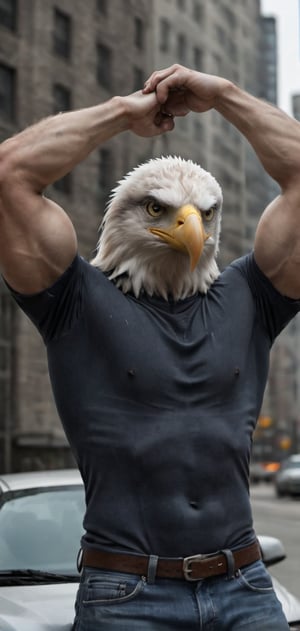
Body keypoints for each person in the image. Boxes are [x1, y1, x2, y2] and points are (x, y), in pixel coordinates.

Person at [0, 64, 299, 630]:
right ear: (123, 215)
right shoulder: (72, 303)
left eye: (204, 216)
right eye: (159, 210)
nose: (190, 227)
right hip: (127, 595)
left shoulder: (253, 298)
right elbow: (10, 172)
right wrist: (122, 112)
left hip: (246, 584)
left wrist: (226, 96)